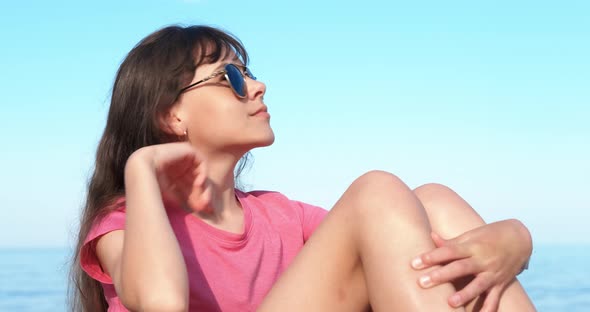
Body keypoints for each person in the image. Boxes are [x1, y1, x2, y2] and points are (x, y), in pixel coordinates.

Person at [69, 25, 535, 312]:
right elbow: (162, 304)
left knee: (432, 201)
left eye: (248, 72)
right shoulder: (122, 223)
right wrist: (142, 168)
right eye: (230, 77)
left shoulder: (281, 217)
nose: (256, 86)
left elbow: (392, 241)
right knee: (377, 190)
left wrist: (516, 237)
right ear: (172, 115)